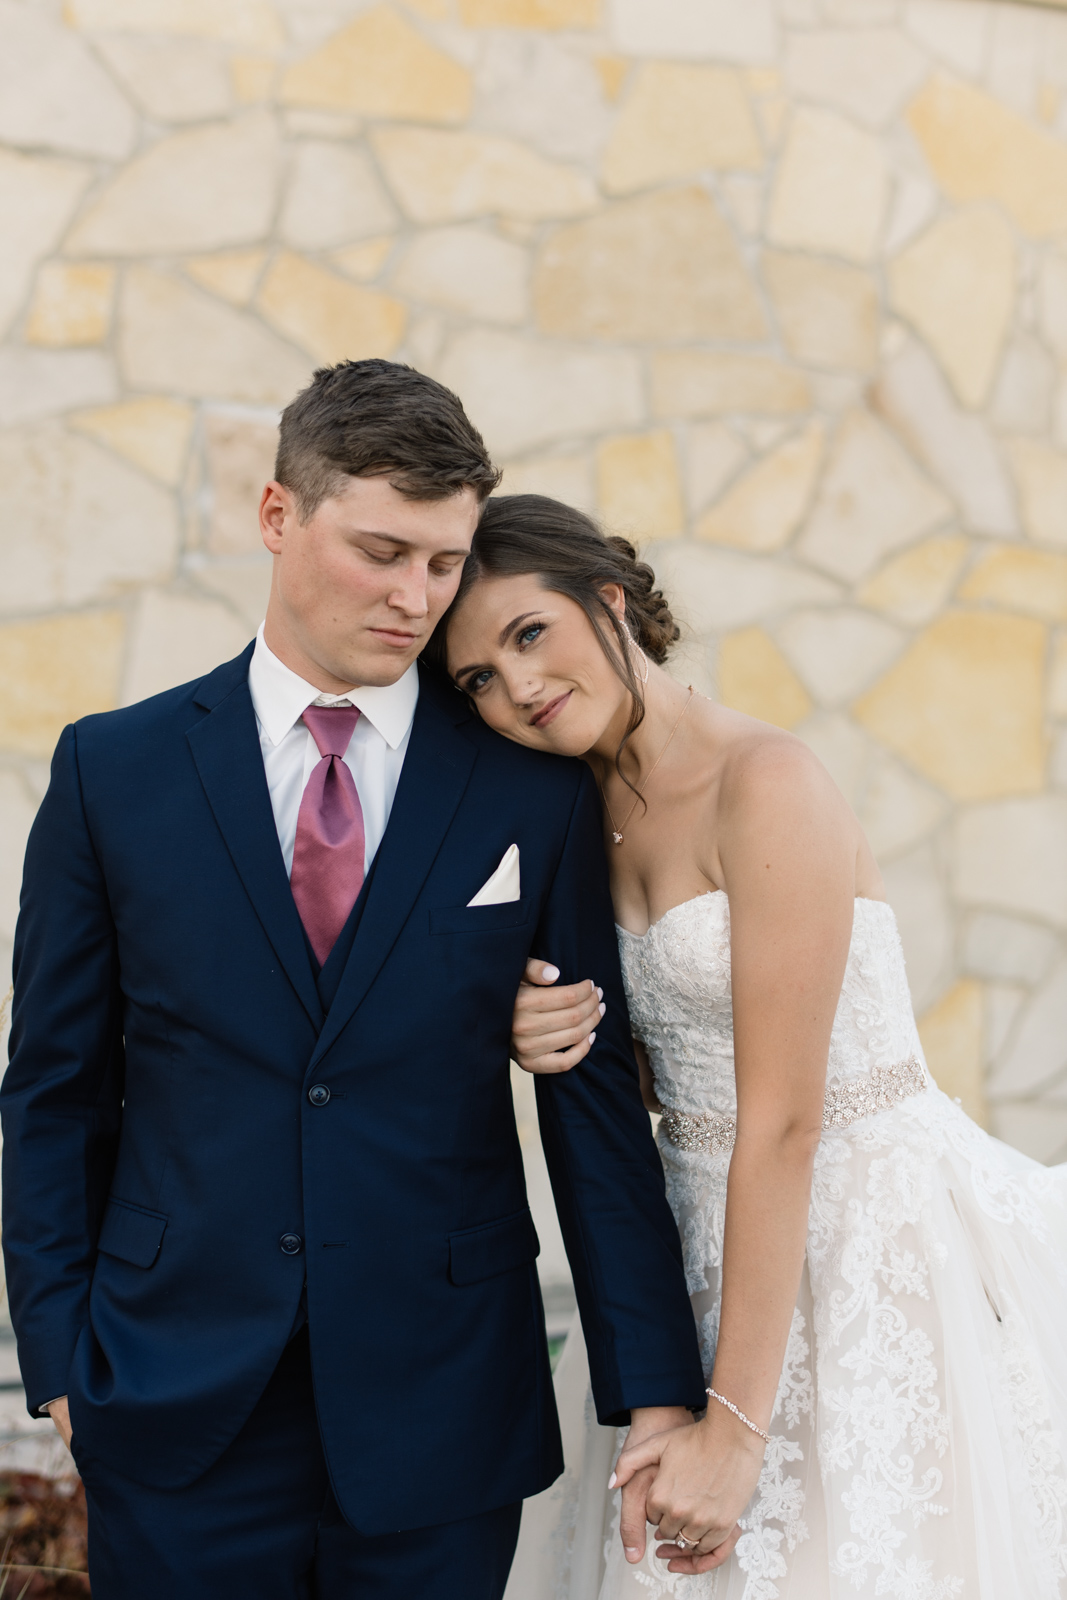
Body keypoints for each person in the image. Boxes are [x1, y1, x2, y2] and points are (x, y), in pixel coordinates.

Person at [0, 363, 710, 1600]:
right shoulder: (113, 772)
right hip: (170, 1402)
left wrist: (651, 1391)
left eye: (444, 563)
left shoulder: (527, 790)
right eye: (383, 551)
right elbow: (53, 1093)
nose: (416, 597)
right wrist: (60, 1363)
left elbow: (588, 1103)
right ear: (278, 515)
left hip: (440, 1416)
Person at [434, 492, 1067, 1600]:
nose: (516, 687)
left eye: (527, 634)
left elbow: (782, 1118)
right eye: (477, 677)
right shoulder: (568, 812)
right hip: (685, 1247)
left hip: (868, 1237)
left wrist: (732, 1428)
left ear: (608, 600)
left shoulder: (763, 782)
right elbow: (653, 1066)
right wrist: (536, 1027)